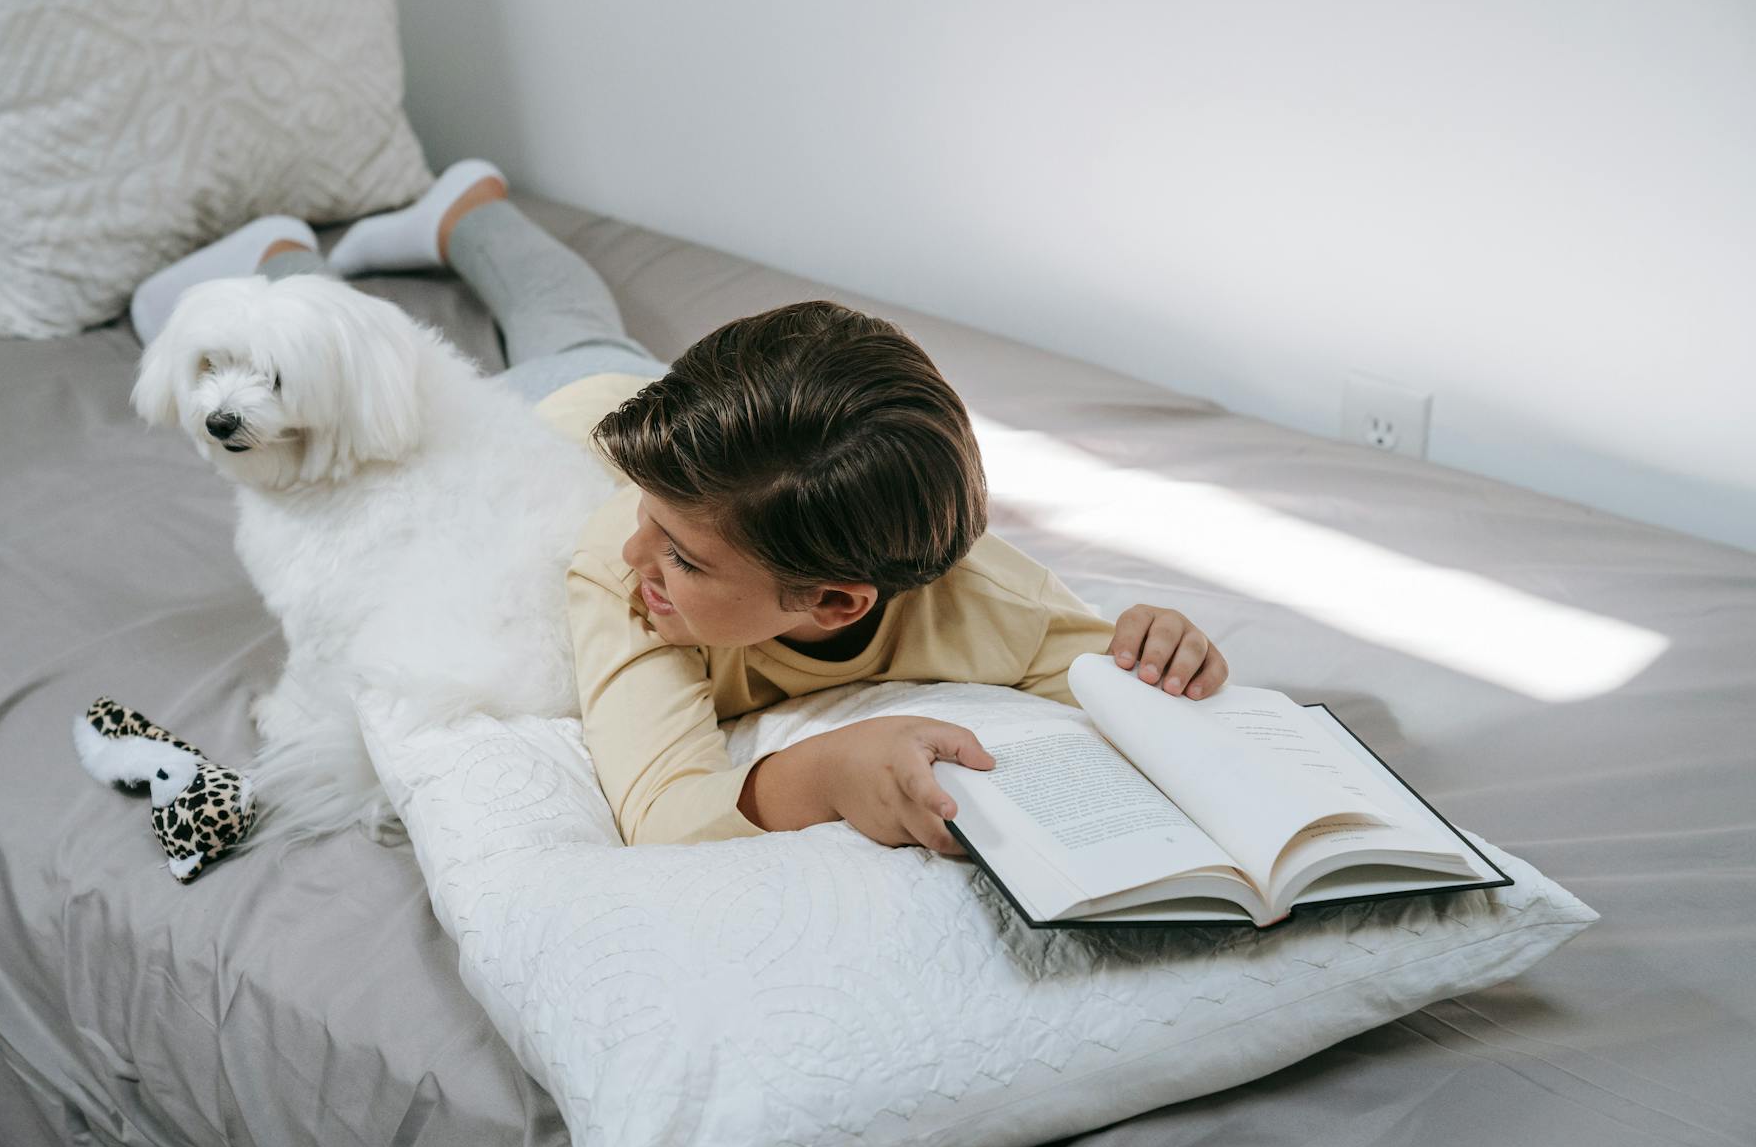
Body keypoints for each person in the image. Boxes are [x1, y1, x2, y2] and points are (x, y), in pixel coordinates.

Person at [130, 159, 1230, 856]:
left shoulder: (981, 597)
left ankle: (423, 223)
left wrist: (1164, 642)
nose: (643, 561)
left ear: (841, 598)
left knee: (568, 327)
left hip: (680, 462)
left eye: (690, 563)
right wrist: (829, 771)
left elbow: (1102, 662)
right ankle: (364, 242)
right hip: (588, 416)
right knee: (564, 325)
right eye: (652, 536)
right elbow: (667, 810)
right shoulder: (622, 562)